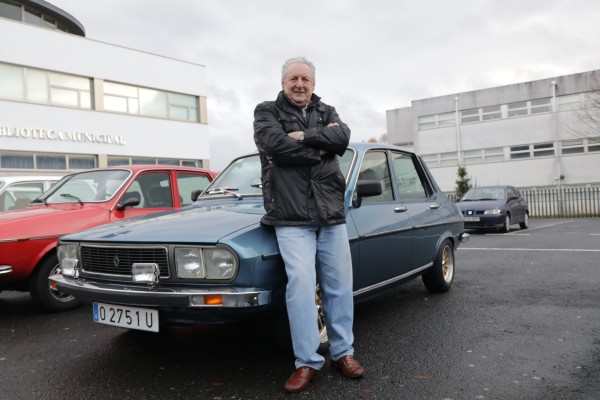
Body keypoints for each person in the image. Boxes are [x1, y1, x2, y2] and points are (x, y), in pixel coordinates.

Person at [253, 56, 364, 393]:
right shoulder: (266, 111)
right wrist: (319, 149)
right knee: (301, 285)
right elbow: (275, 146)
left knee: (340, 285)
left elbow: (342, 137)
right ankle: (306, 361)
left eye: (305, 79)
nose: (299, 84)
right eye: (293, 79)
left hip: (330, 213)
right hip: (291, 217)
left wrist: (301, 135)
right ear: (283, 82)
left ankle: (343, 352)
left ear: (313, 84)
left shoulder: (328, 111)